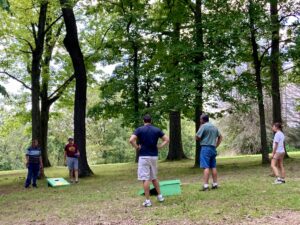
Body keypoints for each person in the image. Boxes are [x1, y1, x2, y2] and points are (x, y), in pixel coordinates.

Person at [129, 115, 169, 207]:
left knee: (145, 179)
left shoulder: (139, 130)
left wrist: (137, 147)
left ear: (144, 121)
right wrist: (160, 146)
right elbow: (167, 139)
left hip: (143, 157)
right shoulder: (156, 130)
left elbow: (131, 140)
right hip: (154, 156)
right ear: (151, 121)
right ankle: (160, 196)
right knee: (154, 177)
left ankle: (148, 201)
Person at [195, 114, 222, 191]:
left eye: (200, 119)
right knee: (213, 166)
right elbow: (220, 137)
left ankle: (206, 186)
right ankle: (215, 184)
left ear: (203, 120)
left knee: (206, 167)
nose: (200, 121)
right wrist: (216, 145)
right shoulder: (214, 127)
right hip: (213, 148)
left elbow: (197, 137)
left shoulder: (203, 126)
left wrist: (200, 127)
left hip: (205, 148)